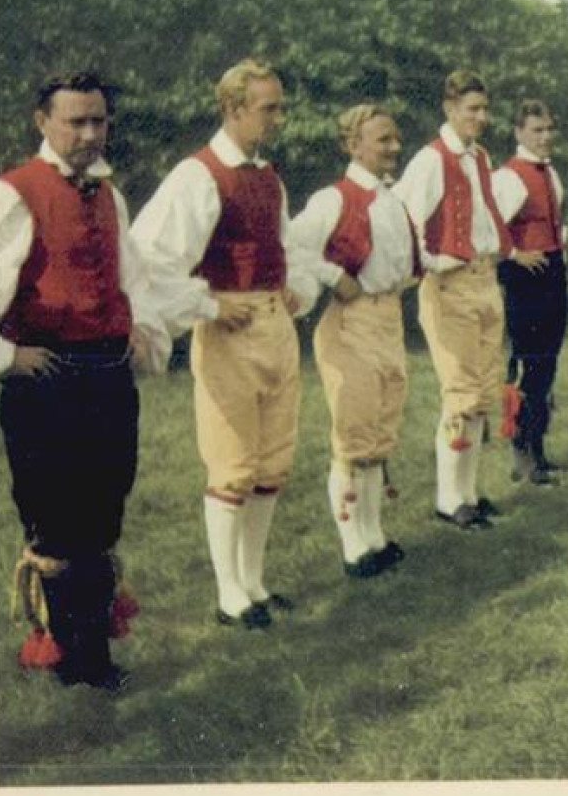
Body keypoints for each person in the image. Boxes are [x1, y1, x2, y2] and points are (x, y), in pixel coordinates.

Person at [0, 72, 171, 690]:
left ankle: (91, 648)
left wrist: (141, 327)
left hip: (107, 377)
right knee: (58, 522)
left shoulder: (110, 195)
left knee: (102, 514)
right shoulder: (11, 195)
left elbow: (134, 279)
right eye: (76, 122)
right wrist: (4, 356)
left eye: (99, 120)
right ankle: (76, 658)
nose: (91, 133)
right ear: (43, 122)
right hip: (49, 379)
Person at [132, 59, 321, 630]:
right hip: (230, 334)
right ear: (234, 108)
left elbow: (292, 247)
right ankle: (229, 593)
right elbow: (148, 256)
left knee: (273, 462)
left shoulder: (268, 175)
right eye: (270, 108)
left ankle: (255, 581)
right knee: (233, 464)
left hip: (274, 327)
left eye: (280, 107)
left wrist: (298, 288)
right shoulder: (199, 175)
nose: (279, 118)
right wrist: (210, 304)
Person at [290, 104, 420, 579]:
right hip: (352, 321)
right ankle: (353, 546)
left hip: (387, 318)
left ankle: (374, 536)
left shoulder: (390, 199)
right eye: (382, 139)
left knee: (379, 433)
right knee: (354, 432)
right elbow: (288, 241)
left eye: (394, 138)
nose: (393, 147)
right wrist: (330, 274)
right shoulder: (334, 198)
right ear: (353, 145)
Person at [396, 70, 510, 529]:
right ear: (449, 109)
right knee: (460, 393)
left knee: (482, 392)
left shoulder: (478, 157)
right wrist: (434, 262)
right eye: (471, 110)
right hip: (450, 283)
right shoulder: (430, 160)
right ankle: (449, 499)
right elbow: (404, 221)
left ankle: (470, 491)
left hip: (485, 279)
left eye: (484, 109)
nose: (480, 118)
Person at [491, 99, 568, 485]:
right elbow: (488, 229)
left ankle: (538, 447)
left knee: (547, 365)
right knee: (527, 364)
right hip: (525, 280)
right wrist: (514, 254)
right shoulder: (509, 176)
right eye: (537, 130)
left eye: (549, 129)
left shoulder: (550, 173)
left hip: (553, 272)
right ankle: (521, 451)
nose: (545, 137)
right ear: (519, 132)